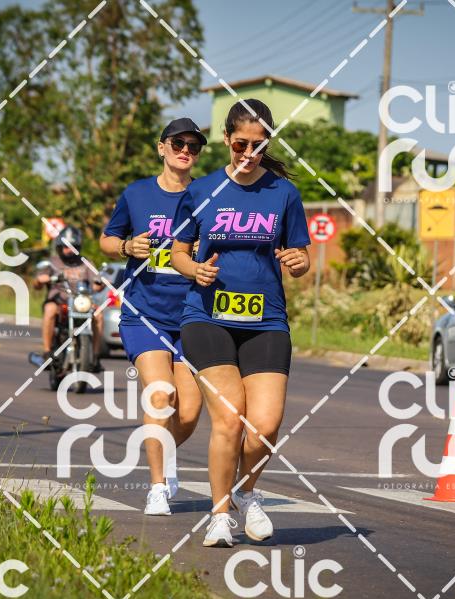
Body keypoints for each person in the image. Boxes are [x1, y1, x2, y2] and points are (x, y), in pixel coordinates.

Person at [170, 99, 311, 547]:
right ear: (227, 139)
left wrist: (299, 262)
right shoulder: (201, 191)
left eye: (258, 145)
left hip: (266, 320)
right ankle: (218, 516)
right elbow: (177, 253)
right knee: (230, 418)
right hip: (206, 317)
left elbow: (301, 255)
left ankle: (247, 493)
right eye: (240, 144)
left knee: (265, 425)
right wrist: (194, 270)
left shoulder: (284, 194)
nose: (249, 153)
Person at [99, 118, 207, 516]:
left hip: (194, 314)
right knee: (162, 395)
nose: (186, 150)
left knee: (189, 412)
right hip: (144, 313)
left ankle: (165, 455)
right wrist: (127, 247)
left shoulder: (208, 195)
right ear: (162, 148)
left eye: (193, 146)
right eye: (178, 143)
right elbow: (107, 239)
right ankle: (157, 487)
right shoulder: (137, 193)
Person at [33, 225, 103, 370]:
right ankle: (47, 352)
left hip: (81, 302)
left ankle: (95, 356)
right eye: (65, 247)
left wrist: (100, 284)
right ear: (59, 247)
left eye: (72, 246)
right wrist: (40, 280)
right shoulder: (52, 262)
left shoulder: (86, 263)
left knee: (99, 315)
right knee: (49, 310)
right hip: (59, 302)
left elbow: (97, 284)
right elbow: (37, 284)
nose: (69, 250)